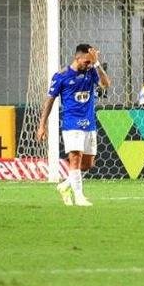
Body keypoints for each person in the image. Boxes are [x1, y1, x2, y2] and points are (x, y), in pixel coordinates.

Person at [36, 43, 111, 207]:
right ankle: (79, 197)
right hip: (72, 123)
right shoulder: (61, 76)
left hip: (89, 123)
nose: (88, 65)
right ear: (78, 57)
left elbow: (106, 85)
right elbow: (49, 101)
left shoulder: (92, 71)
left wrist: (97, 64)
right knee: (75, 159)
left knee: (87, 164)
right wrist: (42, 125)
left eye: (91, 62)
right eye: (87, 62)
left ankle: (64, 186)